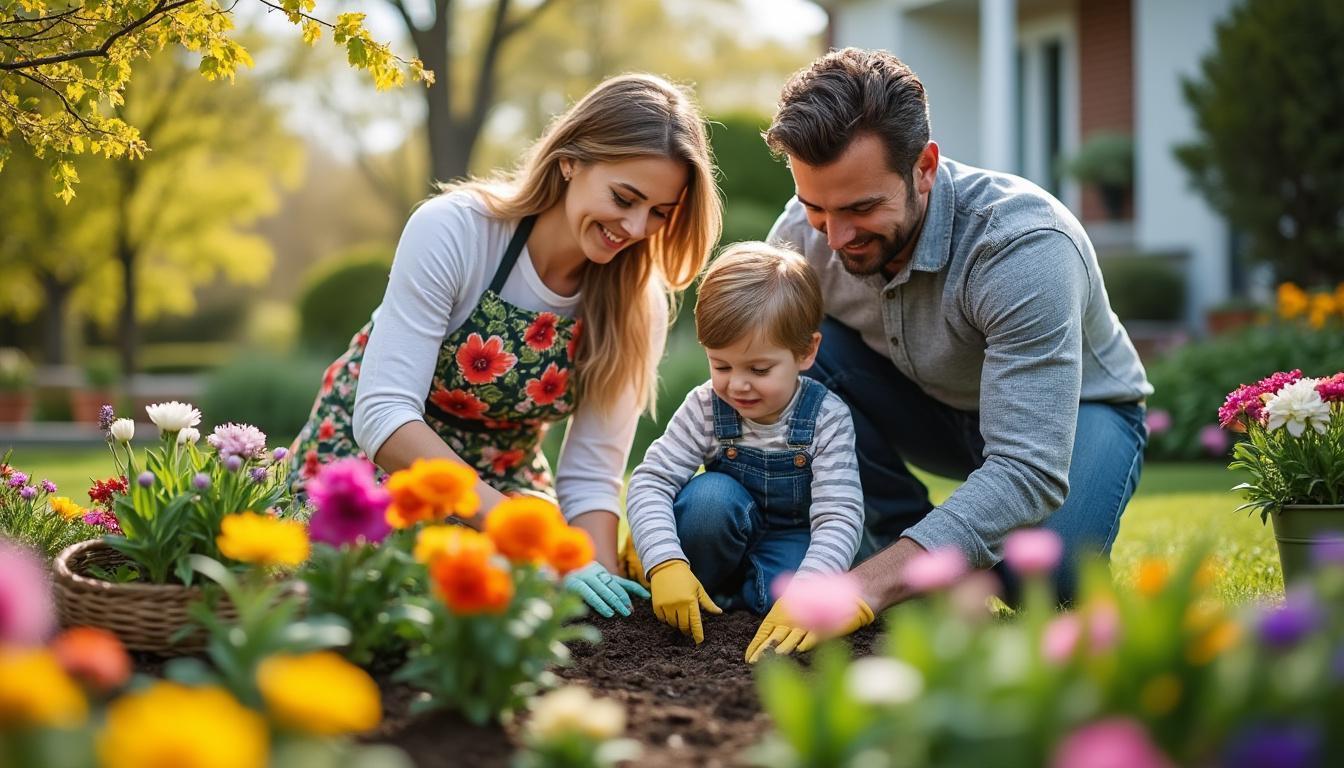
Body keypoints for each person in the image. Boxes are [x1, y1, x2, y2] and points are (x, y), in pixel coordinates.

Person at [745, 48, 1152, 662]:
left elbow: (1026, 465)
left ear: (925, 167)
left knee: (1049, 579)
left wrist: (865, 586)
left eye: (861, 208)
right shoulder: (801, 240)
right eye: (816, 207)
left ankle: (904, 566)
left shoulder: (1022, 246)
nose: (836, 237)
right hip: (925, 408)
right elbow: (752, 379)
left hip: (1074, 420)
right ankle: (905, 544)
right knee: (794, 351)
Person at [288, 74, 723, 620]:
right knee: (380, 600)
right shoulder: (457, 231)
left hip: (507, 483)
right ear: (570, 160)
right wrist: (530, 538)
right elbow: (384, 416)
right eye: (624, 198)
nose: (636, 227)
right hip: (381, 469)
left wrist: (607, 589)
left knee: (533, 609)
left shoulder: (639, 302)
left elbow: (590, 475)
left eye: (661, 212)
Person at [625, 242, 864, 645]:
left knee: (789, 596)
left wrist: (810, 587)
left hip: (792, 539)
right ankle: (700, 585)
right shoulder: (706, 406)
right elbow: (651, 481)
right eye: (721, 365)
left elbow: (839, 516)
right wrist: (664, 562)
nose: (737, 384)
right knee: (708, 498)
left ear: (806, 352)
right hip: (719, 532)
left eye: (759, 368)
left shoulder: (826, 417)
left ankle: (735, 599)